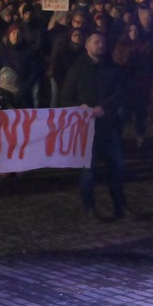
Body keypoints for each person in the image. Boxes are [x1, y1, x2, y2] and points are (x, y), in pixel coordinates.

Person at [60, 30, 127, 221]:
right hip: (86, 128)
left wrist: (104, 107)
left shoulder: (112, 69)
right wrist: (79, 108)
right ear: (87, 46)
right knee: (88, 171)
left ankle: (120, 206)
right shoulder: (77, 69)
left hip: (108, 125)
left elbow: (120, 92)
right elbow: (65, 98)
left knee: (116, 168)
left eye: (103, 42)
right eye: (96, 42)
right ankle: (89, 208)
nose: (101, 45)